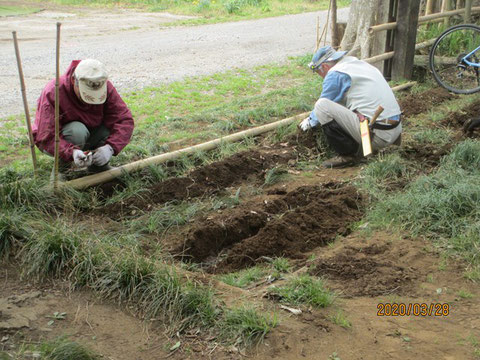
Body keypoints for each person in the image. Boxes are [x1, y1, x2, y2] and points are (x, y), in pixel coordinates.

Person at [299, 46, 402, 168]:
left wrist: (309, 122)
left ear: (325, 67)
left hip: (377, 137)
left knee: (321, 106)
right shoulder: (358, 64)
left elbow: (324, 105)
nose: (320, 76)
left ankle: (347, 155)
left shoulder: (336, 74)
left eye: (318, 72)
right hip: (395, 131)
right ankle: (366, 146)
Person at [33, 59, 134, 179]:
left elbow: (124, 120)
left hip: (92, 133)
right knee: (77, 130)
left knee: (108, 127)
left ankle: (98, 166)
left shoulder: (105, 86)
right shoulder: (54, 91)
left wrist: (110, 148)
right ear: (74, 81)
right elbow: (46, 135)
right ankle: (61, 170)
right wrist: (71, 152)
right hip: (63, 140)